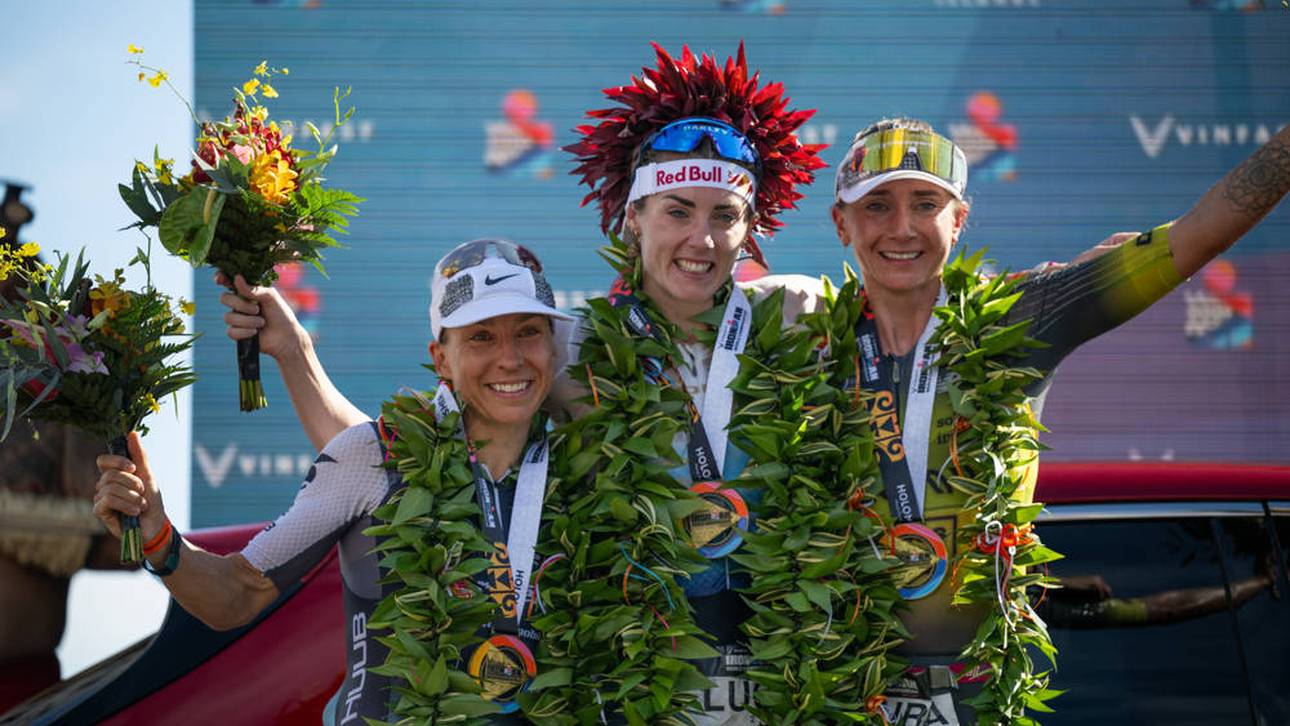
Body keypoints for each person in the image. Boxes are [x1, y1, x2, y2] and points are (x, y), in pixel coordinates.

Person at [810, 116, 1290, 723]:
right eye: (876, 205)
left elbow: (1194, 237)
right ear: (840, 224)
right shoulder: (805, 342)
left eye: (924, 203)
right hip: (838, 698)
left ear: (958, 219)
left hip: (979, 697)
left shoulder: (1021, 316)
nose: (901, 228)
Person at [93, 238, 573, 724]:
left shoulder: (588, 480)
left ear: (555, 349)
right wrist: (158, 537)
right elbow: (235, 595)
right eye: (481, 336)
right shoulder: (370, 455)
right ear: (442, 359)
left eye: (528, 332)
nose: (510, 358)